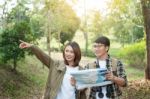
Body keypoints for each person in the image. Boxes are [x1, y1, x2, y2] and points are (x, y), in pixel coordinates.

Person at [19, 40, 86, 99]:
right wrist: (32, 47)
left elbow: (83, 90)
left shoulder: (81, 70)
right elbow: (43, 56)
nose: (68, 54)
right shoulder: (57, 65)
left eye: (71, 52)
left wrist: (76, 84)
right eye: (67, 51)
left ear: (76, 53)